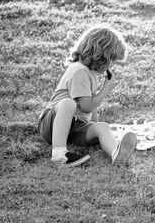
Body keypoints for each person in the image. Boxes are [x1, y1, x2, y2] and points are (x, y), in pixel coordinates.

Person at [38, 24, 137, 167]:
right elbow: (86, 106)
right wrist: (105, 90)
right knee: (68, 103)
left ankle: (116, 153)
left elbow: (91, 106)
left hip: (74, 128)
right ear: (101, 56)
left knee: (102, 126)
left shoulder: (92, 74)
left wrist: (95, 128)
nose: (111, 66)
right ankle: (59, 154)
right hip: (51, 126)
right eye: (112, 61)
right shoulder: (79, 71)